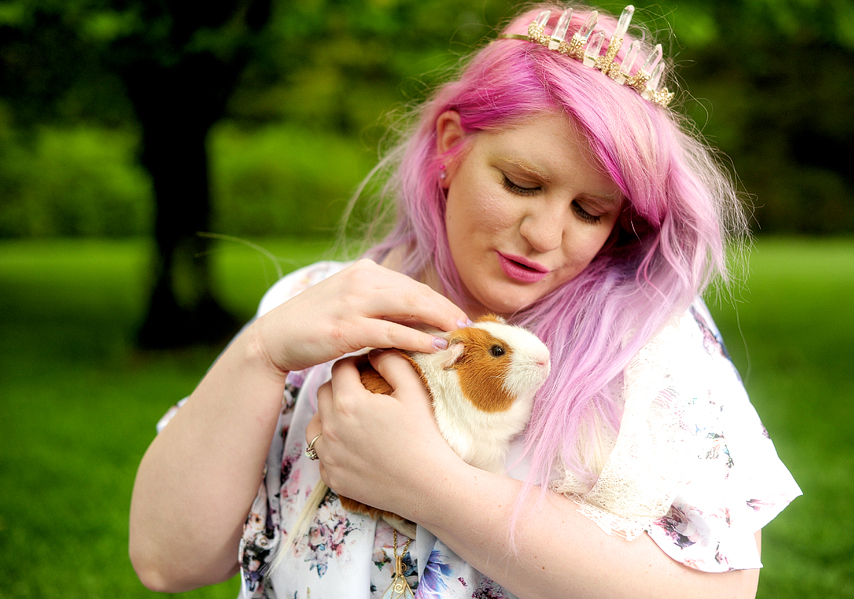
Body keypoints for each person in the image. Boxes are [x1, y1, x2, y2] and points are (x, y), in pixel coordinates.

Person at [129, 4, 801, 598]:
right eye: (520, 182)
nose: (544, 235)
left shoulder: (649, 343)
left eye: (591, 212)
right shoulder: (315, 304)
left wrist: (428, 483)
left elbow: (721, 590)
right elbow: (165, 560)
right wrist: (261, 351)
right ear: (451, 146)